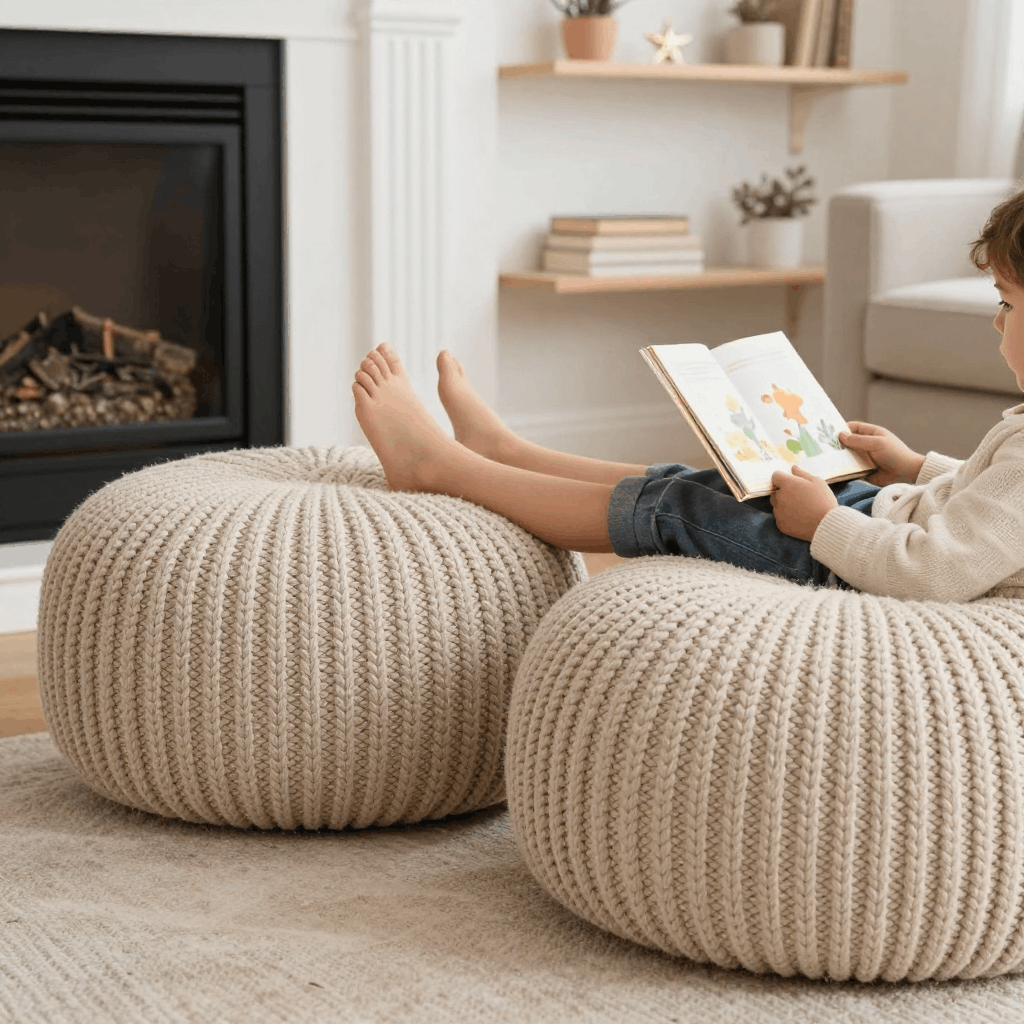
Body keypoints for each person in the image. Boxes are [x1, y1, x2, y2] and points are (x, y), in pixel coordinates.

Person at [352, 194, 1024, 603]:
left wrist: (824, 524)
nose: (995, 320)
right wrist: (913, 466)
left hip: (851, 566)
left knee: (682, 505)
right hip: (878, 520)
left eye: (1008, 303)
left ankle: (437, 469)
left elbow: (935, 573)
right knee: (698, 481)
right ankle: (504, 450)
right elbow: (987, 508)